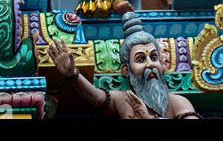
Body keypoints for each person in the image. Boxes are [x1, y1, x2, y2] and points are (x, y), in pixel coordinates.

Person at [47, 10, 198, 118]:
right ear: (126, 70)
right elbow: (97, 98)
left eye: (154, 57)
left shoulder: (177, 102)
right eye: (140, 59)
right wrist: (74, 75)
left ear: (162, 64)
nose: (150, 64)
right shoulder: (124, 100)